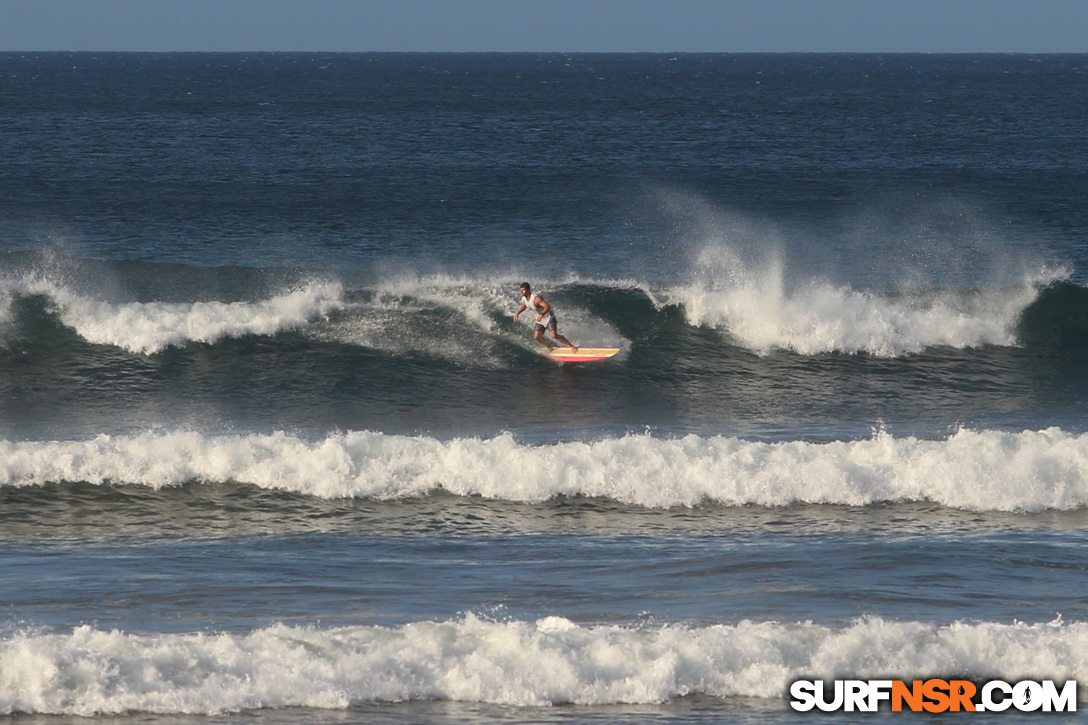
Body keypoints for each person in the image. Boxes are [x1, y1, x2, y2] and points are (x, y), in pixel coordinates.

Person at [513, 282, 577, 352]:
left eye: (523, 290)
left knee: (553, 335)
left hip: (548, 317)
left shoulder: (536, 299)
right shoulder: (524, 299)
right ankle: (549, 347)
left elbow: (547, 306)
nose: (522, 292)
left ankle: (571, 346)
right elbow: (525, 305)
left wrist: (542, 314)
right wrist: (517, 313)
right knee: (536, 336)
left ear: (528, 290)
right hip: (540, 320)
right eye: (521, 291)